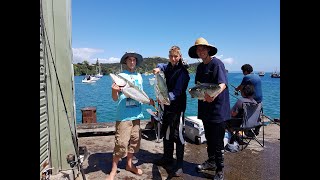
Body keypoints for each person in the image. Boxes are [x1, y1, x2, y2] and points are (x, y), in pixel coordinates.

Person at [106, 52, 154, 180]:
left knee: (134, 142)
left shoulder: (139, 76)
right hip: (123, 117)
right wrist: (114, 90)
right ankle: (113, 170)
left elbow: (140, 93)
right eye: (130, 60)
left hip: (137, 115)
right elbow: (115, 99)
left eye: (134, 60)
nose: (132, 62)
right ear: (126, 62)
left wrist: (149, 100)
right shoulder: (121, 76)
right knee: (120, 144)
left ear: (136, 62)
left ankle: (129, 165)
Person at [188, 37, 230, 180]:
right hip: (205, 109)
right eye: (198, 49)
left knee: (218, 141)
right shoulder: (200, 67)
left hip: (218, 109)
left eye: (203, 48)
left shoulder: (217, 64)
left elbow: (223, 84)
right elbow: (198, 86)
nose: (201, 51)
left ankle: (219, 169)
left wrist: (213, 96)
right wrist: (193, 92)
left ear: (208, 50)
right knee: (210, 139)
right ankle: (211, 161)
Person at [152, 45, 190, 177]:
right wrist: (158, 67)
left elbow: (178, 92)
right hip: (167, 106)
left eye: (175, 56)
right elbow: (161, 65)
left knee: (178, 135)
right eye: (171, 56)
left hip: (178, 107)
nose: (173, 59)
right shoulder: (168, 67)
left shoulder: (183, 72)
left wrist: (164, 99)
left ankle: (179, 165)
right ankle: (167, 158)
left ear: (180, 57)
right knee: (167, 132)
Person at [235, 64, 263, 136]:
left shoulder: (247, 77)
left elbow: (241, 87)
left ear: (246, 71)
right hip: (259, 101)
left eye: (243, 71)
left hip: (251, 101)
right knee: (254, 113)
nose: (243, 73)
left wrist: (236, 89)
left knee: (238, 112)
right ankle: (256, 126)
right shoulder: (257, 76)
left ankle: (238, 132)